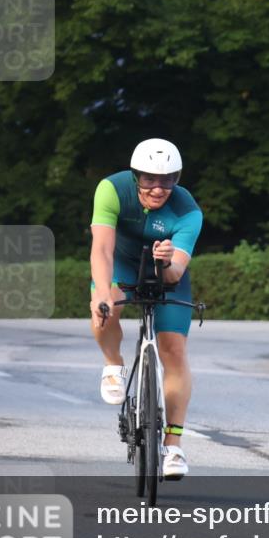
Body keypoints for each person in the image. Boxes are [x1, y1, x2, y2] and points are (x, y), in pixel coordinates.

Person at [89, 138, 203, 480]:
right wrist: (101, 295)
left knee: (174, 350)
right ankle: (113, 364)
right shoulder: (111, 189)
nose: (158, 188)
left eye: (168, 180)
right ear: (135, 175)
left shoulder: (187, 210)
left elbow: (176, 273)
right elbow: (102, 250)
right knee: (102, 308)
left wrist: (166, 262)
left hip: (164, 273)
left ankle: (174, 446)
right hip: (121, 265)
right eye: (150, 179)